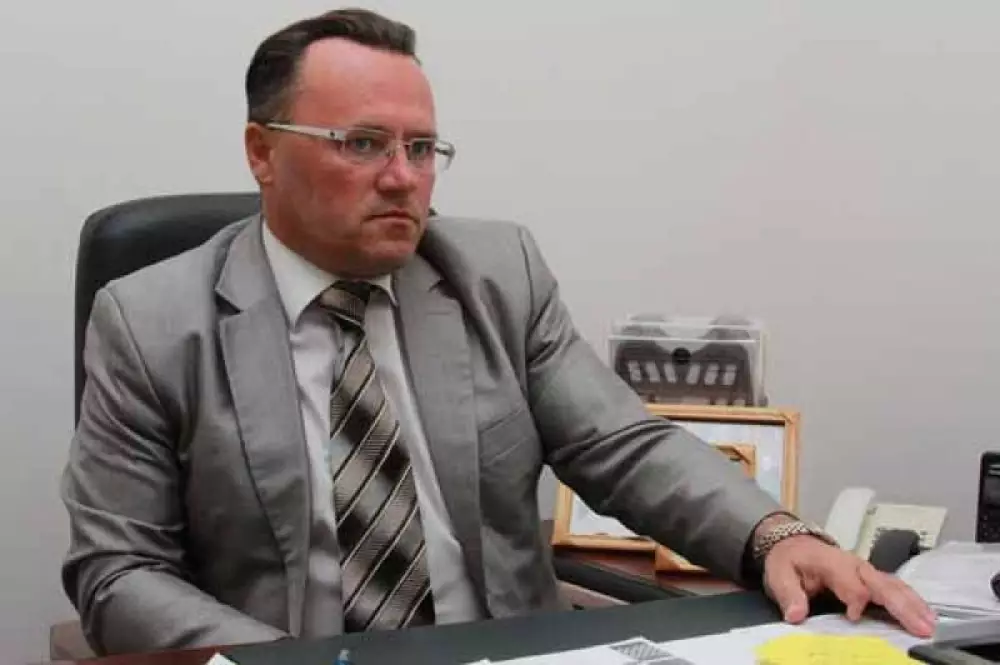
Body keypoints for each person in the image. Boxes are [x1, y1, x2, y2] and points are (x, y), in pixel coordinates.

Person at [61, 7, 935, 656]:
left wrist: (778, 535)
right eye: (362, 144)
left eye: (421, 148)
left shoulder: (494, 272)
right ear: (262, 151)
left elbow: (623, 446)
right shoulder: (151, 322)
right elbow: (118, 572)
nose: (403, 178)